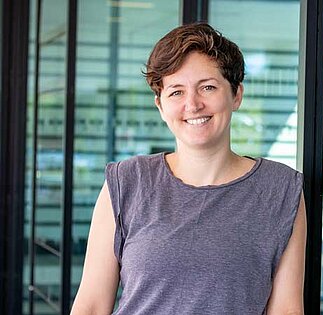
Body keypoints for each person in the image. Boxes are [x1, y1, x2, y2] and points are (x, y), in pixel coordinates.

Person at [71, 22, 306, 315]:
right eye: (176, 92)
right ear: (160, 105)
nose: (192, 105)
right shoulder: (126, 182)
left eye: (207, 87)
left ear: (236, 95)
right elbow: (91, 305)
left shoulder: (280, 188)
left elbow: (286, 309)